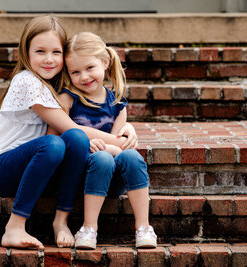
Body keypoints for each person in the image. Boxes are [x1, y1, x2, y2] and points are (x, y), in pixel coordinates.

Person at [0, 16, 135, 250]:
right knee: (57, 142)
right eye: (40, 51)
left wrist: (127, 125)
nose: (49, 59)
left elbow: (90, 118)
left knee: (70, 143)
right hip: (4, 171)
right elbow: (70, 127)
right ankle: (14, 227)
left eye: (56, 52)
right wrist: (118, 141)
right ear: (26, 53)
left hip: (41, 169)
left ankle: (61, 222)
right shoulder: (27, 81)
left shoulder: (58, 82)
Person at [58, 32, 157, 249]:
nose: (83, 77)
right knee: (102, 157)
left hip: (112, 179)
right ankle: (88, 228)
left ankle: (143, 227)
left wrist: (128, 130)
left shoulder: (117, 103)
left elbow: (119, 143)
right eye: (75, 72)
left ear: (104, 62)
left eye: (89, 68)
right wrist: (84, 143)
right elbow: (54, 138)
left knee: (132, 156)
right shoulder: (68, 99)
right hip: (81, 176)